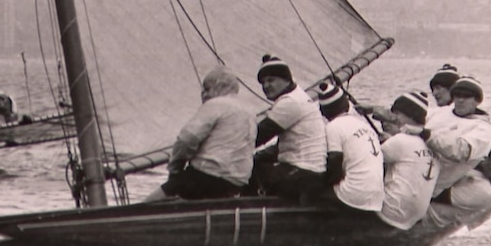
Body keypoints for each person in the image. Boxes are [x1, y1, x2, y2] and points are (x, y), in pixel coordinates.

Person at [144, 66, 256, 202]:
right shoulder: (250, 112)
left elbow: (187, 139)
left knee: (148, 203)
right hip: (237, 182)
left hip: (207, 176)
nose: (202, 94)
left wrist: (175, 169)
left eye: (207, 89)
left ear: (220, 86)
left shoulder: (215, 104)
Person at [249, 55, 327, 202]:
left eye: (271, 80)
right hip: (311, 172)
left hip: (303, 174)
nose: (266, 86)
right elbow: (280, 146)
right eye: (263, 82)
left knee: (247, 169)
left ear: (286, 79)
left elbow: (256, 137)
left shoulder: (290, 102)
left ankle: (250, 210)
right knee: (255, 162)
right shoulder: (298, 97)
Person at [404, 75, 491, 197]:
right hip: (406, 174)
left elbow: (461, 151)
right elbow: (412, 120)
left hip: (428, 189)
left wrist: (426, 134)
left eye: (466, 96)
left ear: (477, 101)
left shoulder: (483, 130)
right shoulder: (441, 112)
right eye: (457, 95)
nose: (460, 100)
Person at [423, 137, 491, 230]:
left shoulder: (486, 191)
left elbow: (436, 195)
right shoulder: (476, 163)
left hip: (430, 216)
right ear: (488, 155)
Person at [318, 81, 385, 212]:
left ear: (323, 112)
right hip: (377, 197)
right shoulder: (363, 124)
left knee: (309, 188)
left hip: (353, 196)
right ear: (347, 106)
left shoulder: (333, 127)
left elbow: (334, 167)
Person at [377, 91, 439, 229]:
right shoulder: (434, 145)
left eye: (398, 113)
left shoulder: (401, 141)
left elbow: (366, 160)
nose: (394, 117)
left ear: (411, 116)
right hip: (413, 218)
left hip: (390, 213)